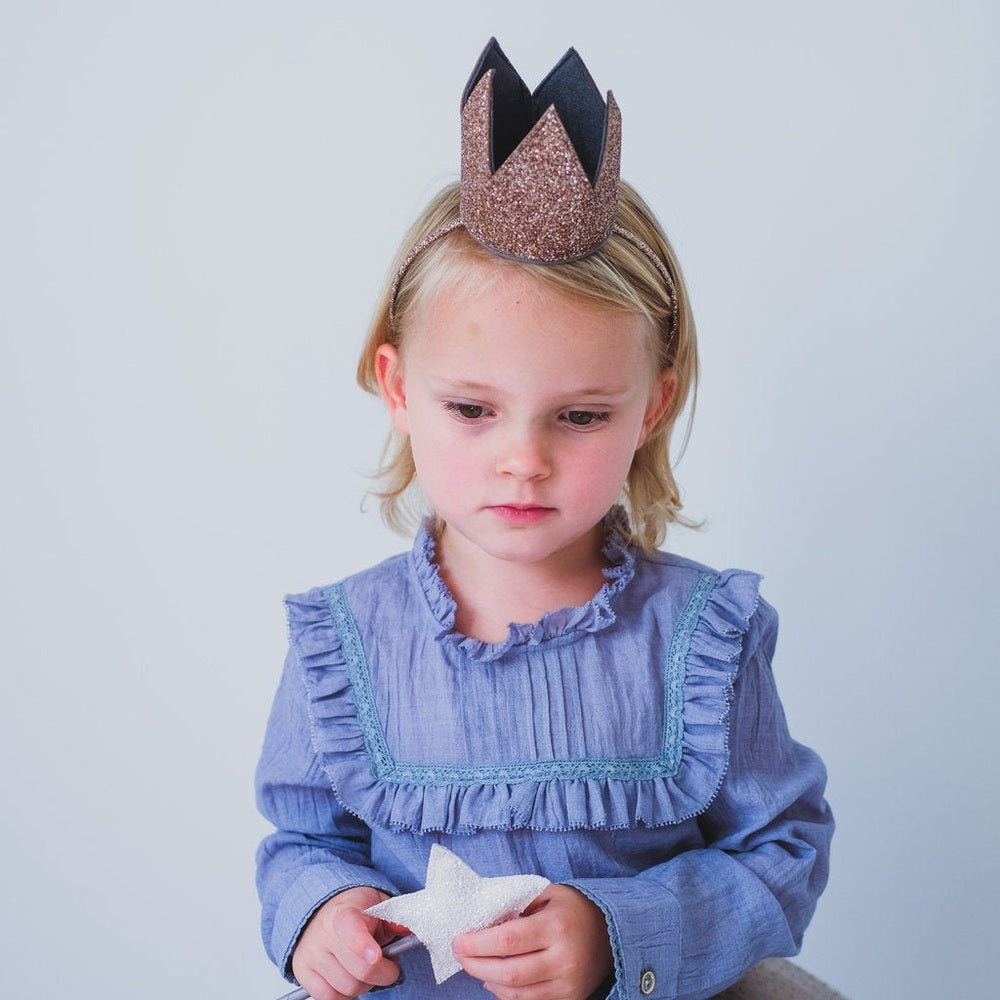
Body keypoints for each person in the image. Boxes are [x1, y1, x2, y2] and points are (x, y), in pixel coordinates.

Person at [255, 39, 833, 1000]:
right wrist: (320, 910)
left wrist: (621, 934)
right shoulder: (343, 641)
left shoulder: (704, 638)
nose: (523, 458)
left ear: (652, 406)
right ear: (400, 388)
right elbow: (304, 838)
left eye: (580, 415)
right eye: (473, 409)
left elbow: (780, 850)